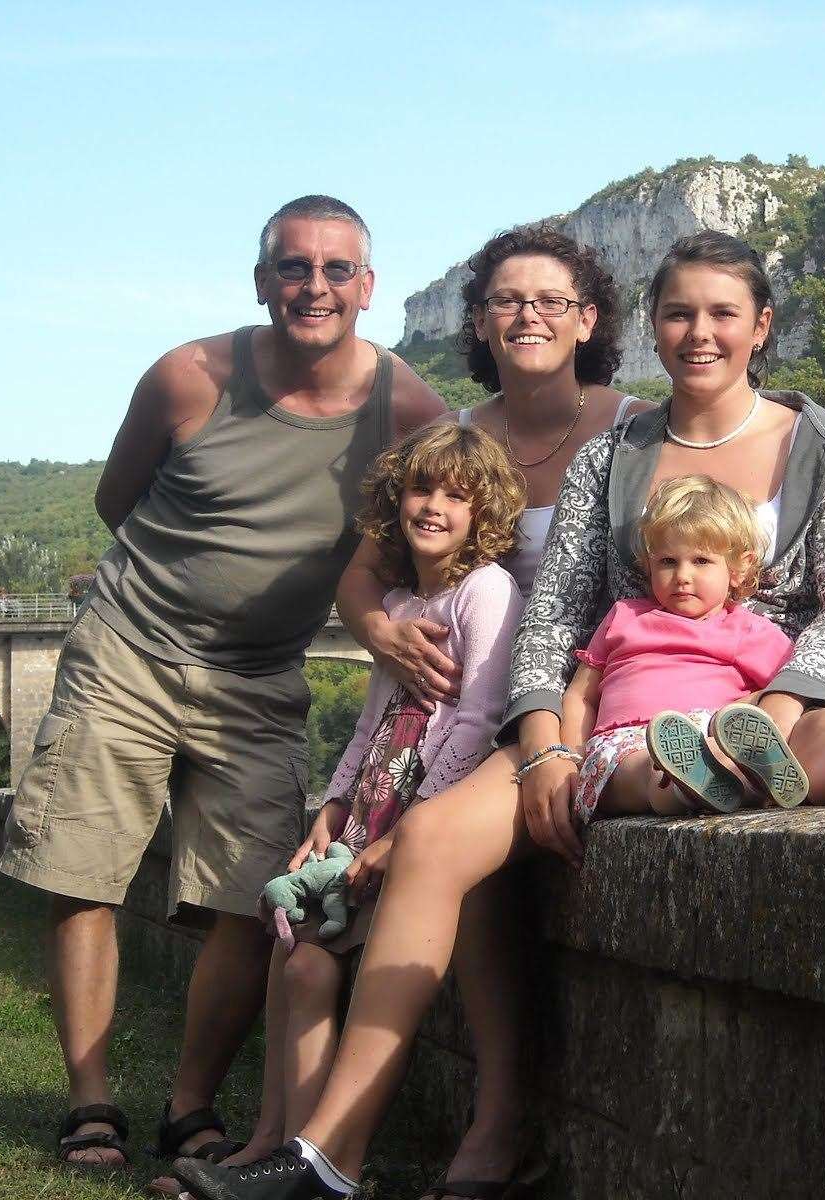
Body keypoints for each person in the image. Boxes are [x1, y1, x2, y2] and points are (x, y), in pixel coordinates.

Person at [172, 229, 825, 1200]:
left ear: (761, 326)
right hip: (623, 698)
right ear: (652, 326)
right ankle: (328, 1155)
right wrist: (541, 750)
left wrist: (777, 704)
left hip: (777, 685)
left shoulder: (820, 441)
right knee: (437, 839)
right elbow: (558, 614)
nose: (700, 332)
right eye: (680, 313)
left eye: (722, 313)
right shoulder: (615, 453)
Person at [0, 195, 447, 1175]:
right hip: (128, 649)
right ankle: (90, 1105)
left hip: (260, 675)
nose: (313, 286)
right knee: (81, 871)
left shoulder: (406, 411)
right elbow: (120, 498)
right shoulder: (186, 378)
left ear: (367, 288)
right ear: (261, 281)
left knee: (255, 900)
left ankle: (189, 1106)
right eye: (293, 267)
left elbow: (456, 518)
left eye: (336, 270)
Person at [333, 226, 648, 1200]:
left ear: (588, 318)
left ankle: (402, 1139)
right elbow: (362, 576)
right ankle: (479, 1125)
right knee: (456, 855)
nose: (528, 317)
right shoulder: (456, 442)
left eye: (551, 300)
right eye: (508, 300)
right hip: (476, 717)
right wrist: (380, 634)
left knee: (445, 843)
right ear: (477, 321)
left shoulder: (640, 430)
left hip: (587, 709)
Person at [215, 422, 524, 1181]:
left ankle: (302, 1158)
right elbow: (372, 723)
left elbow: (481, 718)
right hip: (370, 813)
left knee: (315, 966)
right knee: (301, 963)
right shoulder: (397, 601)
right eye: (422, 490)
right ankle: (277, 1146)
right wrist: (334, 806)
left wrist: (411, 829)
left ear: (484, 513)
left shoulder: (487, 591)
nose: (435, 507)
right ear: (396, 501)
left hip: (419, 817)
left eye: (458, 496)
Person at [561, 474, 803, 820]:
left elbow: (784, 687)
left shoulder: (747, 629)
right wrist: (571, 757)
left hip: (709, 734)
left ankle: (730, 778)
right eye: (667, 562)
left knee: (725, 743)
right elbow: (580, 696)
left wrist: (748, 705)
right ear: (649, 564)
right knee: (636, 770)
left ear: (739, 568)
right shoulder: (625, 616)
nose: (682, 576)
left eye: (701, 561)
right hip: (621, 744)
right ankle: (681, 784)